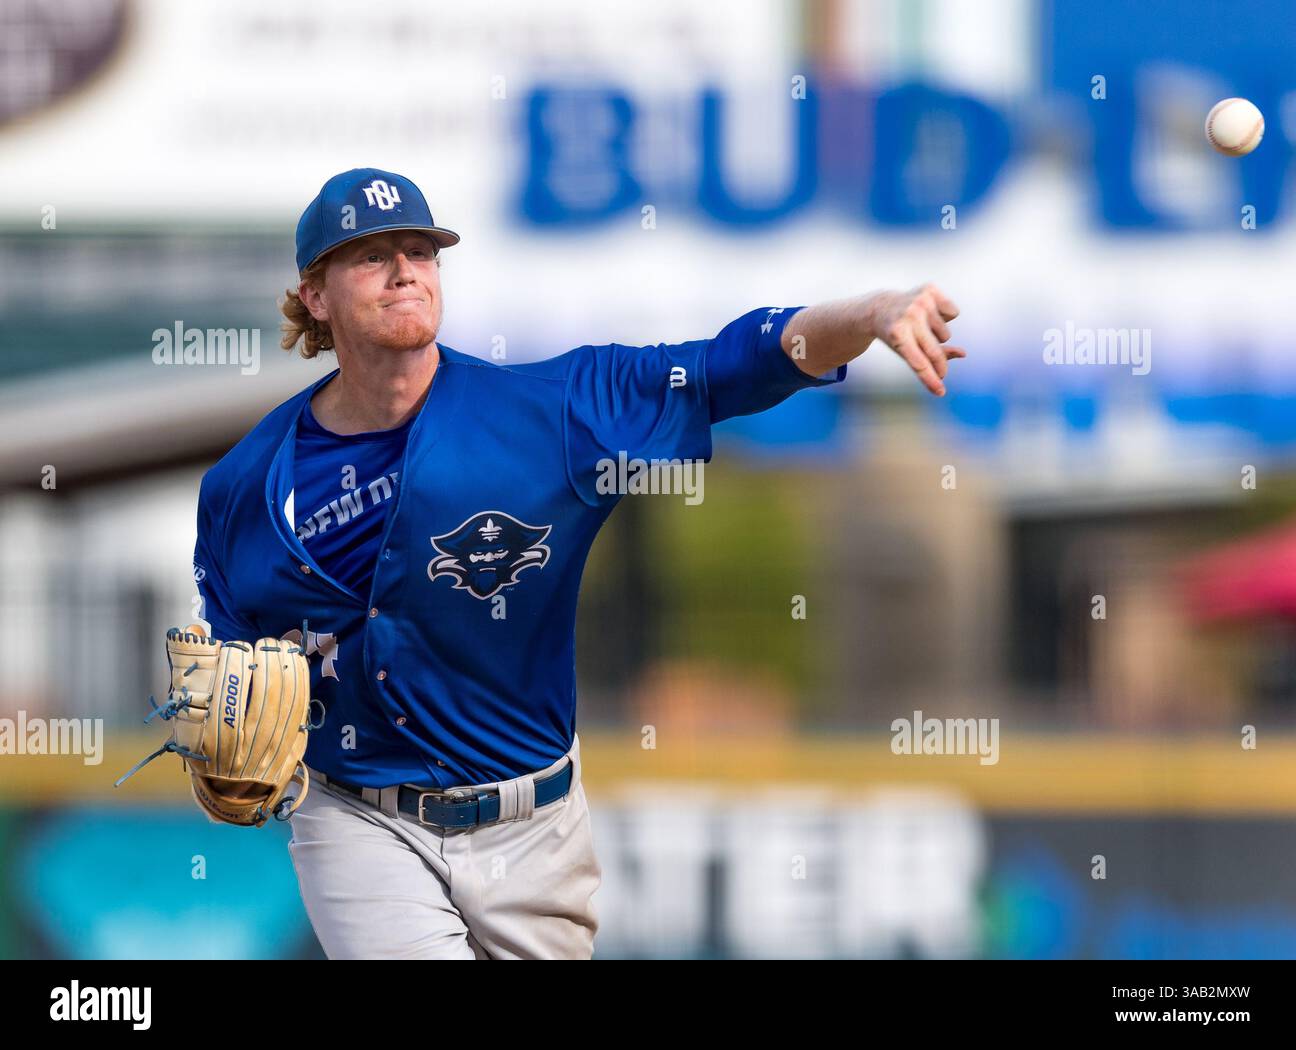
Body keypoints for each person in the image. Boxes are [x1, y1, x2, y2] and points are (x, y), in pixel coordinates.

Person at [192, 167, 964, 959]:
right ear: (314, 296)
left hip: (535, 831)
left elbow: (729, 364)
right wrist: (227, 715)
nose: (404, 270)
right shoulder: (247, 485)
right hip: (359, 821)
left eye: (421, 251)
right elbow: (227, 646)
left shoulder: (552, 412)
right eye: (371, 254)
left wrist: (870, 314)